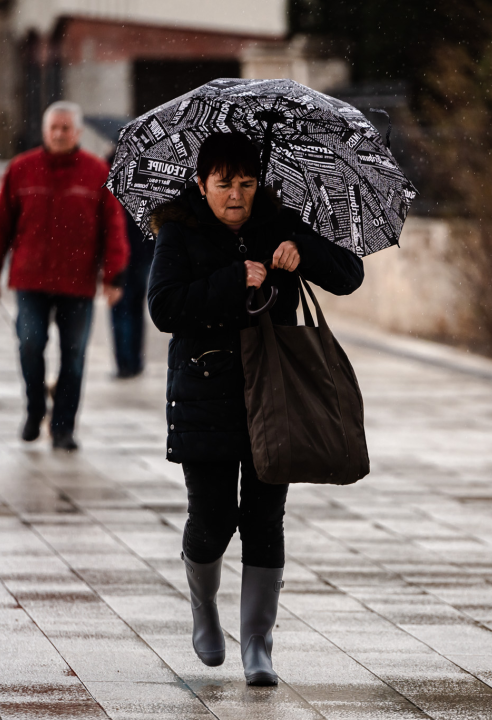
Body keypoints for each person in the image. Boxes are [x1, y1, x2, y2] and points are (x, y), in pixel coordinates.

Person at [147, 132, 364, 685]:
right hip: (205, 392)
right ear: (201, 184)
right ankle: (203, 609)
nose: (237, 196)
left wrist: (304, 252)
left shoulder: (277, 224)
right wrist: (228, 280)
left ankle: (258, 645)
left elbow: (349, 274)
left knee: (265, 518)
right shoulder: (179, 231)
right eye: (224, 185)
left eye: (246, 183)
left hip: (274, 394)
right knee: (213, 517)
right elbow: (164, 307)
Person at [0, 101, 129, 451]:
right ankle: (35, 409)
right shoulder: (22, 169)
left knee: (74, 357)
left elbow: (113, 228)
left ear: (77, 133)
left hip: (76, 284)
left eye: (66, 128)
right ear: (45, 131)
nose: (60, 134)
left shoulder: (96, 173)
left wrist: (114, 275)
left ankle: (63, 427)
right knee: (30, 345)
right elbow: (0, 225)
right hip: (30, 279)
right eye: (54, 128)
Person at [110, 207, 154, 378]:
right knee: (135, 309)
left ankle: (125, 362)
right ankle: (134, 361)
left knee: (122, 309)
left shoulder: (118, 190)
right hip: (141, 254)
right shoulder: (146, 189)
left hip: (124, 255)